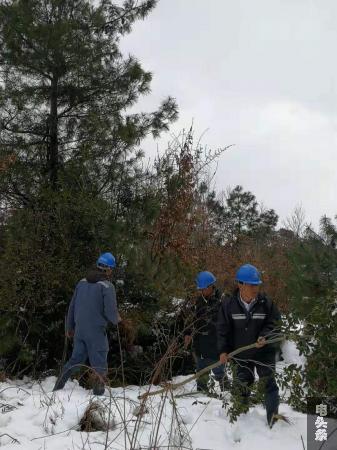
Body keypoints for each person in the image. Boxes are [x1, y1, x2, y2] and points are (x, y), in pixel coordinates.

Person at [217, 264, 281, 427]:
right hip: (241, 354)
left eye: (257, 285)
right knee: (242, 385)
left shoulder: (265, 303)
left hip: (263, 352)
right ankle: (242, 419)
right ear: (240, 285)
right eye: (252, 285)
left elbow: (274, 323)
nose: (255, 289)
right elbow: (223, 329)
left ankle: (273, 419)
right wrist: (224, 350)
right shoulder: (228, 305)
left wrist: (264, 336)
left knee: (269, 384)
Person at [53, 252, 121, 395]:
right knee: (99, 363)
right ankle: (98, 395)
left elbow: (72, 306)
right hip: (96, 332)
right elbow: (111, 312)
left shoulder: (82, 282)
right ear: (108, 269)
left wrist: (69, 328)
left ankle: (57, 387)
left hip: (79, 331)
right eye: (111, 268)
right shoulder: (107, 287)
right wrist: (118, 320)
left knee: (75, 360)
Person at [184, 271, 227, 392]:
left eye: (203, 289)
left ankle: (228, 398)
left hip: (216, 348)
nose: (202, 291)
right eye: (200, 289)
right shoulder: (198, 302)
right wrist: (187, 333)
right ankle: (201, 401)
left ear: (211, 286)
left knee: (220, 375)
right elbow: (191, 319)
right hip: (200, 347)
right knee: (201, 379)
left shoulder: (222, 302)